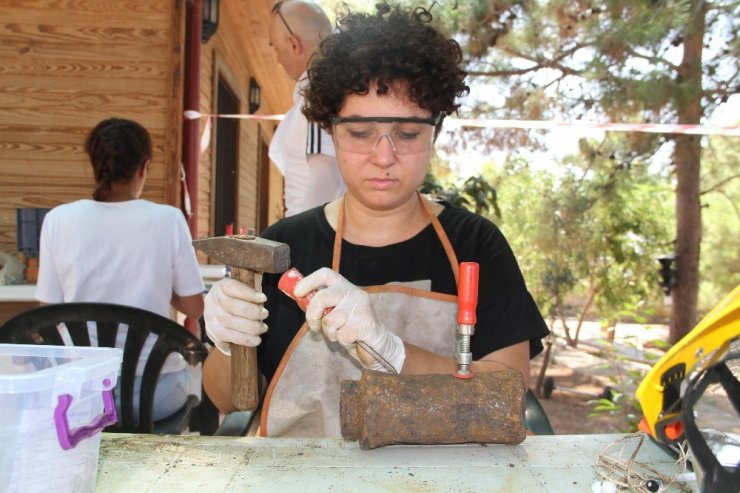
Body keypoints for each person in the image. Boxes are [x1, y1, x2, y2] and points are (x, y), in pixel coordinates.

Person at [203, 2, 549, 438]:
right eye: (360, 133)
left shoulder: (474, 245)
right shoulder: (283, 249)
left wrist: (392, 351)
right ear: (331, 131)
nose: (384, 156)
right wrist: (229, 342)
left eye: (407, 134)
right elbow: (229, 401)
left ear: (434, 132)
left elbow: (509, 396)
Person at [36, 117, 205, 422]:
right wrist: (159, 283)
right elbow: (194, 307)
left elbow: (48, 311)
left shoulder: (58, 220)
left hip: (78, 396)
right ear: (145, 167)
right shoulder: (168, 220)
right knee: (194, 381)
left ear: (95, 164)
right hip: (153, 393)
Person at [267, 0, 345, 216]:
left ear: (294, 44)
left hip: (312, 240)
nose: (277, 60)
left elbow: (326, 177)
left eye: (276, 48)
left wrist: (300, 244)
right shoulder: (333, 87)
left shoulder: (317, 91)